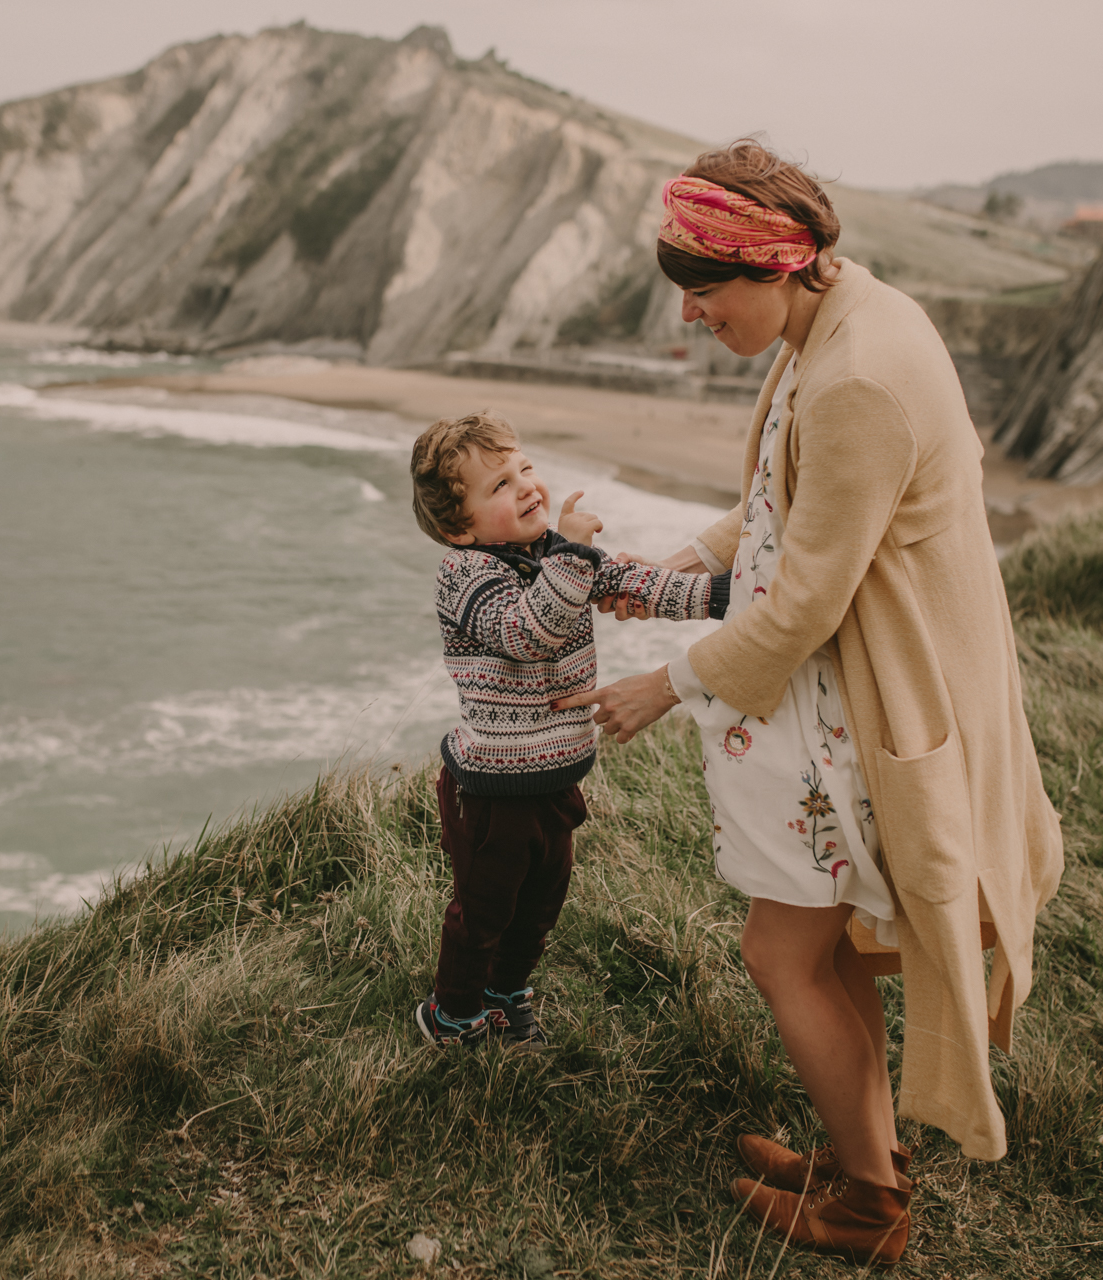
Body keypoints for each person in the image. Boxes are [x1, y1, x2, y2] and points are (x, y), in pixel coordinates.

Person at [555, 142, 1064, 1264]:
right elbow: (791, 500)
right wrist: (678, 564)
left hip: (873, 695)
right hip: (853, 680)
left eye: (704, 292)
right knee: (817, 950)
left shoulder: (857, 377)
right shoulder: (838, 314)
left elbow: (807, 604)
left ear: (772, 266)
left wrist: (663, 686)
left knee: (782, 955)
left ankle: (867, 1206)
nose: (691, 317)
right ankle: (860, 1158)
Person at [408, 412, 728, 1047]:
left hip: (557, 779)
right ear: (458, 527)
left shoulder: (560, 558)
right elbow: (529, 633)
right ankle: (454, 1014)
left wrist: (726, 597)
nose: (526, 486)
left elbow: (641, 583)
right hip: (492, 792)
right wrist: (574, 555)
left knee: (538, 907)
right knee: (483, 912)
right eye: (498, 485)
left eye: (524, 468)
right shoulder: (464, 577)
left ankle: (505, 996)